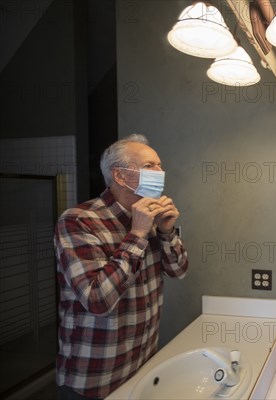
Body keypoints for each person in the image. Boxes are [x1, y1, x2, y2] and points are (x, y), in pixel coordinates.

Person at [54, 134, 188, 399]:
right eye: (150, 166)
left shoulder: (153, 218)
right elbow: (97, 301)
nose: (160, 172)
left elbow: (179, 270)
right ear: (120, 176)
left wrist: (166, 231)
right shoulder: (79, 221)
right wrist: (137, 234)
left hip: (142, 363)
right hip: (95, 375)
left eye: (160, 165)